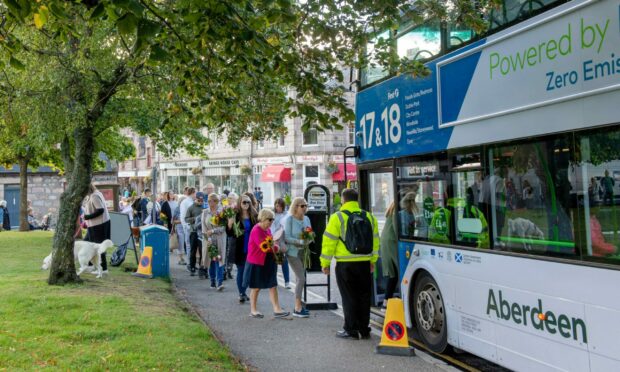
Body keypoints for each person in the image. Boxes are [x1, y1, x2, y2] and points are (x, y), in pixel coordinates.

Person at [320, 188, 379, 339]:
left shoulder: (337, 217)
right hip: (364, 263)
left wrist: (325, 263)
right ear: (356, 199)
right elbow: (375, 241)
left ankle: (351, 330)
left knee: (349, 296)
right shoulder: (369, 217)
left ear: (343, 200)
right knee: (364, 296)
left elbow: (328, 242)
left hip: (345, 264)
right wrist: (373, 260)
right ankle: (364, 329)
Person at [244, 208, 289, 319]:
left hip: (268, 261)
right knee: (256, 287)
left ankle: (277, 309)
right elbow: (265, 247)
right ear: (263, 218)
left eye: (272, 219)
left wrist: (275, 245)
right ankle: (253, 310)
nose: (271, 222)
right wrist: (276, 247)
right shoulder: (256, 230)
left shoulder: (267, 229)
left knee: (272, 285)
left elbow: (271, 242)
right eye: (270, 219)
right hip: (257, 262)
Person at [283, 197, 312, 318]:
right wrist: (300, 241)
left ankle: (299, 304)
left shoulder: (307, 219)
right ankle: (297, 307)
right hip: (293, 253)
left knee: (299, 279)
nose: (305, 208)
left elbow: (310, 234)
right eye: (302, 206)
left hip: (304, 253)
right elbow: (287, 238)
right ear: (295, 207)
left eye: (306, 205)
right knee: (301, 278)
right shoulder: (289, 219)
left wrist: (309, 239)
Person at [227, 194, 257, 303]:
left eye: (248, 202)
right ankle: (241, 293)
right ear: (240, 203)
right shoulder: (235, 215)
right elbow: (230, 234)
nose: (246, 204)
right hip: (239, 248)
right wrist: (230, 224)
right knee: (241, 270)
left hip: (251, 247)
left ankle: (243, 291)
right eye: (244, 202)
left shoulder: (254, 215)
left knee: (248, 271)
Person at [83, 183, 111, 274]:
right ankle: (91, 266)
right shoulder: (92, 195)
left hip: (99, 225)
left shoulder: (95, 196)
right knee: (87, 244)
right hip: (94, 225)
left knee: (99, 247)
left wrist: (88, 217)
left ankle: (104, 269)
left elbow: (100, 210)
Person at [202, 193, 226, 290]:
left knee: (219, 259)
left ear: (217, 201)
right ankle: (212, 281)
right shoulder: (205, 212)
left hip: (220, 238)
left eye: (213, 201)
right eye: (209, 201)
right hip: (209, 239)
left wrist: (213, 231)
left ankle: (219, 282)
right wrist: (208, 237)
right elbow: (204, 227)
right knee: (211, 260)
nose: (211, 203)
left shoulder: (222, 212)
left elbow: (223, 227)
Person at [380, 202, 398, 308]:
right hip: (392, 243)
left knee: (393, 275)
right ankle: (386, 303)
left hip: (388, 243)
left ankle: (386, 302)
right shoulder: (397, 212)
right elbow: (398, 232)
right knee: (397, 274)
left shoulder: (392, 210)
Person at [185, 191, 206, 278]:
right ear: (195, 199)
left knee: (202, 251)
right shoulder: (191, 208)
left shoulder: (205, 207)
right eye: (199, 200)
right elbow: (186, 219)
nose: (200, 202)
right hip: (193, 231)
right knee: (193, 250)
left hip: (202, 232)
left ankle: (202, 269)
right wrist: (196, 219)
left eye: (202, 200)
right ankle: (192, 267)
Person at [272, 198, 290, 289]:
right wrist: (273, 238)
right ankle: (273, 281)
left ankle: (287, 281)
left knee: (284, 261)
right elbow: (271, 228)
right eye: (276, 205)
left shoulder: (286, 214)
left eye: (279, 206)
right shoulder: (272, 215)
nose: (277, 207)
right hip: (274, 239)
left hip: (283, 239)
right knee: (275, 260)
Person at [180, 188, 196, 271]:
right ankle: (189, 263)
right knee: (189, 246)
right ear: (192, 193)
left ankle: (192, 263)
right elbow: (182, 216)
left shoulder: (192, 202)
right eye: (195, 193)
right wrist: (186, 226)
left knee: (192, 246)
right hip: (189, 227)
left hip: (193, 227)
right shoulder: (185, 202)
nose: (196, 195)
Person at [173, 195, 187, 265]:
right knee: (181, 244)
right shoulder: (177, 209)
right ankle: (181, 259)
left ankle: (187, 259)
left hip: (187, 228)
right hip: (180, 228)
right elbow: (173, 221)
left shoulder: (187, 208)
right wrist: (182, 221)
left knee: (187, 244)